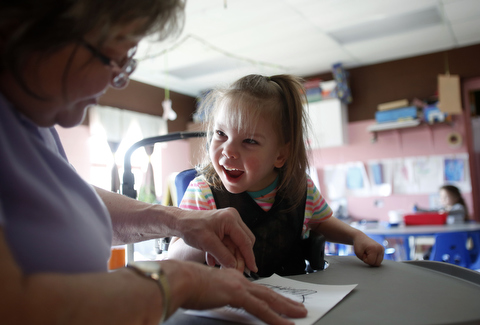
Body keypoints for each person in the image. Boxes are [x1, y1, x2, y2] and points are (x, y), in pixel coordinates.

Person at [0, 1, 308, 324]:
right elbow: (16, 306)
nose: (117, 81)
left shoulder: (32, 122)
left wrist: (180, 221)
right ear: (45, 30)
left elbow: (69, 203)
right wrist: (181, 281)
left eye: (127, 63)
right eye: (114, 60)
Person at [168, 74, 384, 276]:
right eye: (221, 134)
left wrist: (356, 237)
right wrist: (204, 240)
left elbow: (321, 222)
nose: (228, 150)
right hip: (227, 303)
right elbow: (174, 254)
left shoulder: (300, 187)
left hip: (295, 299)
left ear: (280, 155)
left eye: (249, 141)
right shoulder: (203, 192)